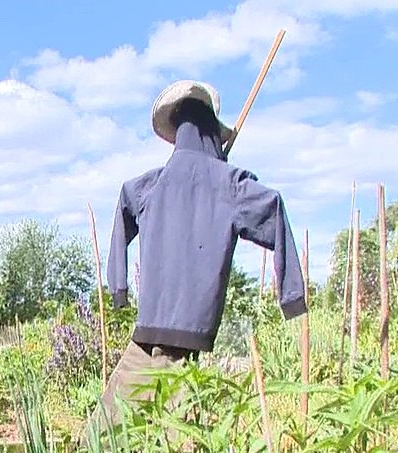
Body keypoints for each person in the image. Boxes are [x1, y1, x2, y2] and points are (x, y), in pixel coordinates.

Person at [92, 80, 308, 429]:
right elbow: (273, 206)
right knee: (168, 434)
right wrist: (291, 296)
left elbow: (124, 203)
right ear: (211, 132)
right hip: (191, 332)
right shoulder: (231, 184)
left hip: (148, 328)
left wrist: (119, 289)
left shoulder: (149, 184)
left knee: (109, 429)